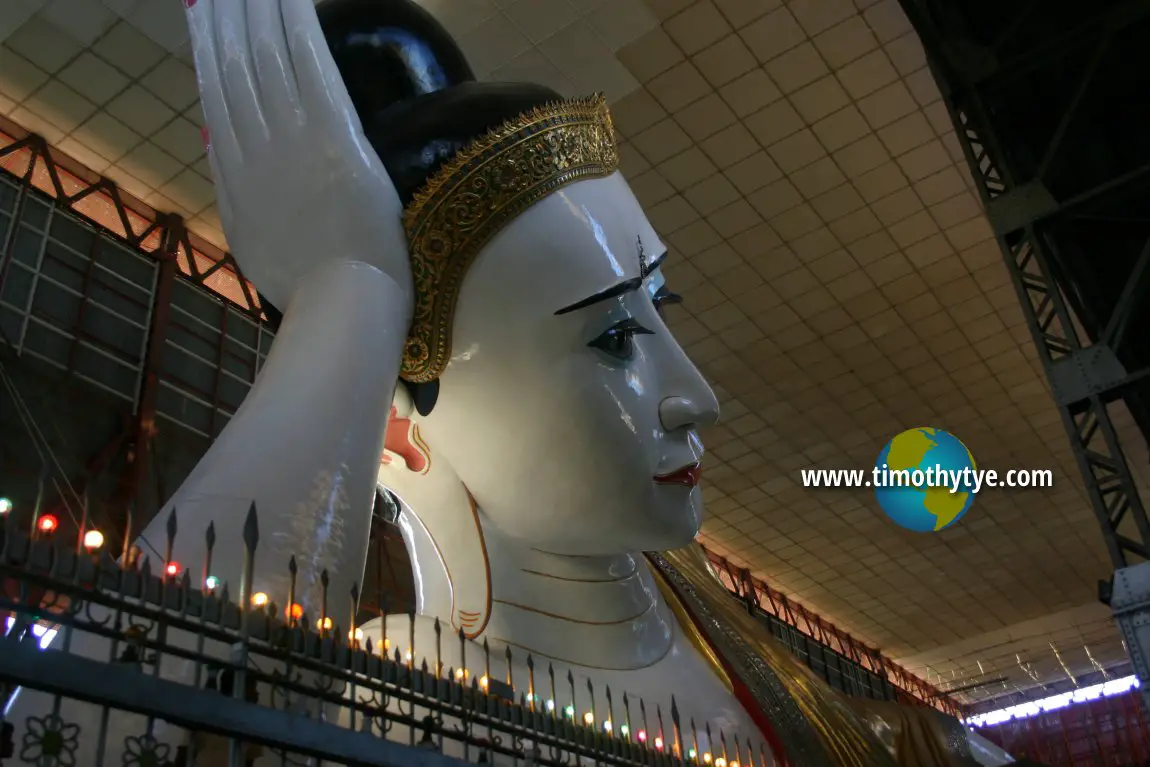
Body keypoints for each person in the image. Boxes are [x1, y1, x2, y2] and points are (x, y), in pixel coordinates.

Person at [9, 0, 1010, 765]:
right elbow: (68, 736)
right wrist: (349, 298)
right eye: (612, 334)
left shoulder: (843, 716)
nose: (694, 392)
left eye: (663, 308)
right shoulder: (410, 701)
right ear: (401, 431)